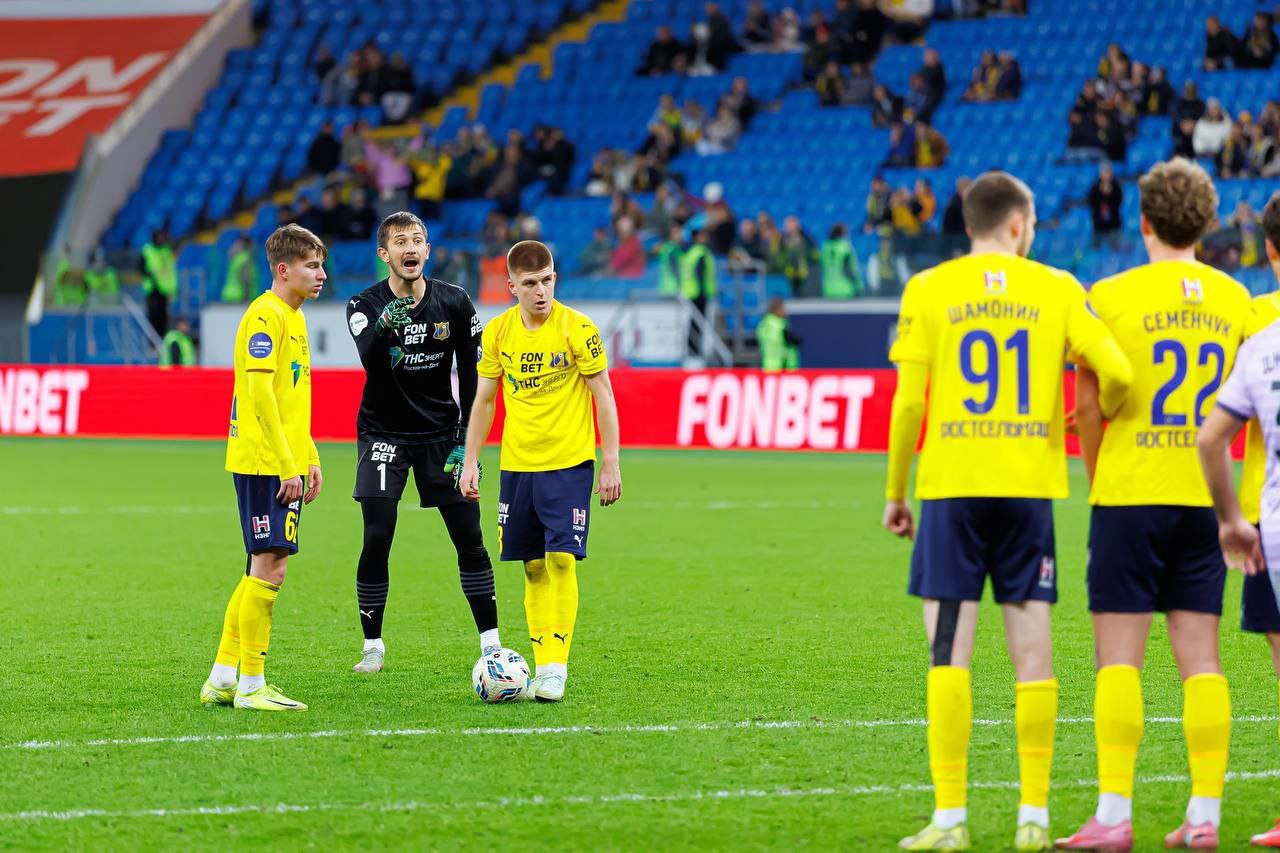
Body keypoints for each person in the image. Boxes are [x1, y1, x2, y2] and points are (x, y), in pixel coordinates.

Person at [883, 171, 1132, 852]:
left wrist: (896, 493)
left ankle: (950, 819)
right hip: (1027, 491)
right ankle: (1034, 818)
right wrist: (1090, 418)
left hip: (952, 492)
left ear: (970, 223)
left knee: (949, 656)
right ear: (1019, 224)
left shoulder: (928, 287)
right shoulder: (1056, 287)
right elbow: (1117, 371)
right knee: (1033, 657)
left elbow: (909, 403)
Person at [1059, 159, 1251, 851]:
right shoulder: (1235, 298)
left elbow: (1087, 405)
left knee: (1118, 659)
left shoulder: (1108, 295)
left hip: (1131, 491)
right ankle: (1205, 815)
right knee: (1201, 658)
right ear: (1206, 223)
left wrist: (1098, 479)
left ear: (1142, 221)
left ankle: (1113, 815)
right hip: (1206, 496)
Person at [459, 240, 623, 703]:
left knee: (562, 559)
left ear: (555, 278)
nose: (541, 291)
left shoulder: (578, 329)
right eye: (530, 283)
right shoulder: (498, 333)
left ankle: (554, 668)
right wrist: (470, 460)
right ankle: (539, 660)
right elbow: (485, 400)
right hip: (518, 466)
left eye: (547, 280)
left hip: (569, 463)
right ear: (511, 286)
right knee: (532, 567)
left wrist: (610, 461)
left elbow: (603, 393)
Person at [343, 212, 500, 673]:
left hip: (441, 436)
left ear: (427, 250)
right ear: (384, 254)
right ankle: (373, 645)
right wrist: (383, 327)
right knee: (377, 535)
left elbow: (473, 378)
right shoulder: (363, 304)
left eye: (417, 240)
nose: (409, 248)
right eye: (399, 241)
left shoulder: (455, 301)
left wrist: (466, 445)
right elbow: (371, 361)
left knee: (469, 538)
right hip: (383, 434)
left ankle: (491, 644)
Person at [199, 224, 327, 712]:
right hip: (264, 462)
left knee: (261, 567)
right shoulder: (264, 315)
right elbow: (257, 395)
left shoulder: (294, 316)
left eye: (321, 265)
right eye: (312, 266)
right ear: (284, 269)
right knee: (270, 565)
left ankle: (222, 677)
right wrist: (287, 464)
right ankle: (252, 685)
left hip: (282, 459)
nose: (321, 274)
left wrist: (309, 455)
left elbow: (290, 398)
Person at [1196, 192, 1280, 848]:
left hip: (1266, 517)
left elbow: (1214, 428)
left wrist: (1229, 519)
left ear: (1268, 249)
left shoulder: (1256, 323)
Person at [680, 227, 718, 358]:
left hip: (691, 292)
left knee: (693, 323)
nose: (706, 238)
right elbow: (700, 273)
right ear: (697, 237)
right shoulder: (701, 252)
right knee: (698, 323)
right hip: (699, 293)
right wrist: (703, 292)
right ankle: (695, 350)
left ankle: (692, 349)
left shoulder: (691, 252)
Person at [141, 229, 177, 337]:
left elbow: (171, 272)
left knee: (163, 316)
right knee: (153, 315)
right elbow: (140, 268)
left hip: (164, 289)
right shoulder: (147, 250)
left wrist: (172, 290)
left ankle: (161, 338)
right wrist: (150, 275)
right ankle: (152, 339)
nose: (161, 239)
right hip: (152, 288)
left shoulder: (167, 251)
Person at [820, 224, 862, 298]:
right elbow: (849, 269)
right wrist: (858, 286)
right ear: (842, 234)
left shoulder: (825, 247)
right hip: (846, 290)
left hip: (828, 290)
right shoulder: (845, 247)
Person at [757, 297, 800, 370]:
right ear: (777, 310)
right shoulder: (780, 324)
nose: (785, 311)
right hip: (782, 365)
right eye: (783, 309)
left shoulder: (763, 323)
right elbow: (790, 340)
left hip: (767, 364)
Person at [1087, 163, 1123, 249]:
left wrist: (1110, 194)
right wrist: (1101, 193)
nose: (1106, 175)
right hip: (1098, 224)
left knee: (1114, 248)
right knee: (1096, 248)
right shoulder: (1095, 187)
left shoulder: (1116, 187)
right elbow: (1091, 201)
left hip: (1113, 224)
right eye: (1104, 172)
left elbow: (1119, 201)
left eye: (1108, 172)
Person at [222, 236, 258, 302]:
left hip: (229, 294)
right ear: (249, 245)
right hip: (240, 296)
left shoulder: (236, 257)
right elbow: (246, 279)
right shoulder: (245, 258)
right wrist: (247, 297)